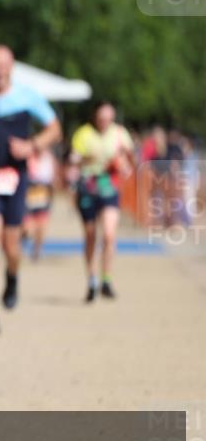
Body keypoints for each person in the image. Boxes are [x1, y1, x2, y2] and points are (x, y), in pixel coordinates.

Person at [0, 45, 62, 336]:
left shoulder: (27, 97)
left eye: (4, 65)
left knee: (11, 246)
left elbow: (55, 129)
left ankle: (13, 276)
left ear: (12, 67)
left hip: (16, 178)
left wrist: (32, 146)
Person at [68, 101, 135, 302]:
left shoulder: (120, 134)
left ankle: (106, 278)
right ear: (95, 117)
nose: (105, 122)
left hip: (109, 187)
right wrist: (86, 158)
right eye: (101, 118)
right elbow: (72, 159)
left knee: (109, 234)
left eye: (108, 119)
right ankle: (92, 280)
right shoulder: (84, 134)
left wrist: (124, 161)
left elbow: (131, 159)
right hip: (88, 187)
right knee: (90, 235)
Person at [23, 146, 57, 261]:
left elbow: (54, 177)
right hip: (28, 193)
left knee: (42, 226)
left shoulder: (49, 158)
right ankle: (23, 239)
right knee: (28, 228)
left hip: (44, 193)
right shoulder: (27, 157)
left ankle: (37, 250)